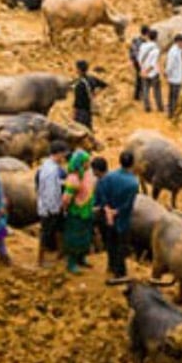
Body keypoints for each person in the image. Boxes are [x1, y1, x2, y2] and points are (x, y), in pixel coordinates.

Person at [95, 149, 139, 282]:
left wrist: (107, 209)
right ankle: (120, 273)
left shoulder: (109, 177)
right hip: (122, 220)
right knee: (121, 245)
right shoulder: (133, 183)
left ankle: (110, 266)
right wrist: (116, 212)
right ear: (132, 164)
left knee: (109, 242)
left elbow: (100, 192)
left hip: (106, 217)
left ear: (119, 161)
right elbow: (128, 204)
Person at [60, 150, 96, 274]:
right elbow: (66, 198)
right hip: (76, 212)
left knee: (85, 236)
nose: (88, 164)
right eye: (86, 162)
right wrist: (65, 208)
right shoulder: (73, 178)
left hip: (87, 210)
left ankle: (82, 258)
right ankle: (72, 262)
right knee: (74, 237)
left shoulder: (88, 173)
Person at [36, 140, 68, 267]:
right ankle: (40, 260)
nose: (65, 158)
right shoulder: (50, 170)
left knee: (60, 229)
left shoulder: (50, 167)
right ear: (59, 154)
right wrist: (54, 207)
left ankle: (61, 254)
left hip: (55, 205)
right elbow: (50, 191)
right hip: (50, 207)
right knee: (46, 233)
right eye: (64, 155)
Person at [72, 59, 105, 129]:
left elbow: (77, 102)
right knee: (88, 130)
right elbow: (104, 85)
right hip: (88, 111)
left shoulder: (79, 84)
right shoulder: (92, 79)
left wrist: (74, 113)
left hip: (80, 112)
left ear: (79, 69)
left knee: (78, 130)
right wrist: (96, 93)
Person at [136, 28, 162, 113]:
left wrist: (142, 70)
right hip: (153, 73)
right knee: (156, 91)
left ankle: (147, 107)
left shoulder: (143, 46)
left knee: (145, 90)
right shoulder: (156, 49)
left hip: (144, 71)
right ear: (156, 38)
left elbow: (139, 59)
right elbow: (153, 64)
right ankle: (159, 107)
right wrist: (147, 71)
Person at [163, 34, 182, 118]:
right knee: (174, 96)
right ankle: (172, 113)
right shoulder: (173, 52)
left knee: (173, 95)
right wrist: (167, 72)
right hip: (174, 78)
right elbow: (170, 65)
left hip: (177, 77)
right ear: (178, 42)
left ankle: (172, 111)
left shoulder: (178, 50)